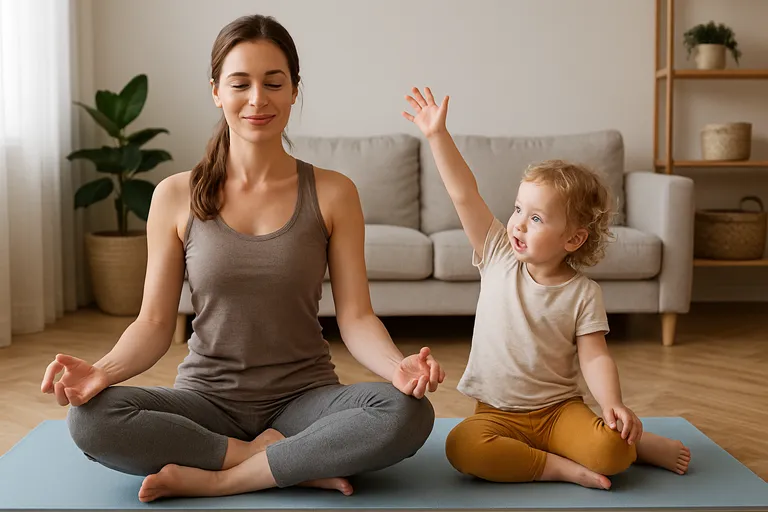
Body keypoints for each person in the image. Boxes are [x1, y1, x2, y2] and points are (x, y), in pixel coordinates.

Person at [39, 15, 444, 503]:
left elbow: (356, 317)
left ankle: (221, 477)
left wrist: (397, 366)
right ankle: (282, 460)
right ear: (216, 91)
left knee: (408, 412)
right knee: (90, 418)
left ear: (295, 90)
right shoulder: (174, 196)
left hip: (306, 399)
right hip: (205, 401)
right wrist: (103, 370)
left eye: (274, 83)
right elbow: (151, 324)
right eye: (240, 83)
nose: (258, 99)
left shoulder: (335, 193)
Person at [402, 87, 690, 490]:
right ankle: (559, 468)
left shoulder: (583, 293)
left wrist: (612, 404)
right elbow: (463, 192)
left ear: (573, 239)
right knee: (462, 447)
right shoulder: (498, 252)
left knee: (614, 452)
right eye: (518, 209)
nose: (517, 223)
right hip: (496, 414)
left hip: (559, 412)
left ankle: (638, 444)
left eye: (536, 218)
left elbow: (595, 358)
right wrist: (437, 136)